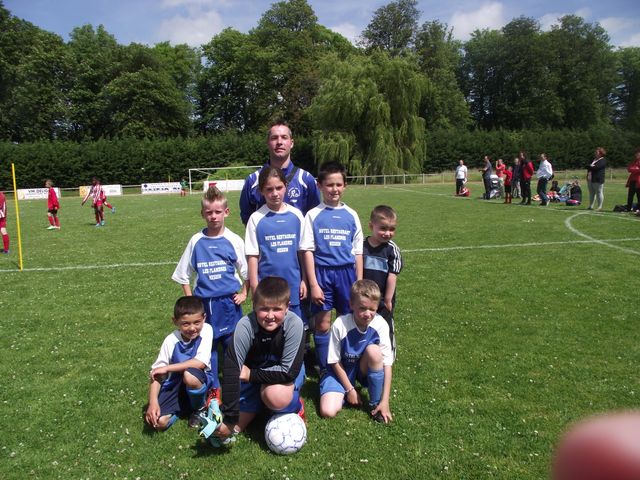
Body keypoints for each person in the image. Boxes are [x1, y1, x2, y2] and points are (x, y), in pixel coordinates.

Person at [172, 186, 248, 397]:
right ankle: (214, 389)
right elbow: (183, 274)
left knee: (232, 345)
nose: (213, 216)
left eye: (217, 212)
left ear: (226, 212)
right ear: (202, 214)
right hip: (204, 304)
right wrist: (191, 301)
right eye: (209, 212)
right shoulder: (196, 241)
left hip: (228, 303)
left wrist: (244, 293)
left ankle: (236, 384)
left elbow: (248, 271)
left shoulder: (234, 240)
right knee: (208, 346)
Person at [214, 276, 306, 442]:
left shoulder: (294, 324)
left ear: (287, 307)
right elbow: (232, 368)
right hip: (254, 377)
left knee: (275, 396)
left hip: (281, 376)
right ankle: (258, 404)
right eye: (264, 309)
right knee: (227, 433)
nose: (270, 315)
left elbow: (288, 372)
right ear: (254, 305)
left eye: (277, 309)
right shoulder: (245, 325)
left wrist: (251, 375)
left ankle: (295, 406)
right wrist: (230, 418)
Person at [300, 161, 363, 376]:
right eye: (329, 185)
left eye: (338, 184)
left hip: (347, 274)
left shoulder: (352, 214)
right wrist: (313, 284)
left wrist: (359, 282)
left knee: (347, 320)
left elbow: (358, 252)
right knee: (323, 323)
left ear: (345, 186)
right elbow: (307, 250)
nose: (334, 189)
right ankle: (325, 369)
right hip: (323, 274)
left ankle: (347, 365)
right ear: (319, 186)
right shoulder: (312, 215)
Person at [319, 280, 394, 424]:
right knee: (328, 411)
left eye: (372, 309)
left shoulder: (381, 324)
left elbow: (387, 364)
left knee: (374, 351)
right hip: (339, 371)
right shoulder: (340, 324)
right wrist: (350, 390)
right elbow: (334, 361)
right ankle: (341, 391)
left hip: (361, 369)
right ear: (351, 304)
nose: (367, 314)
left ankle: (375, 404)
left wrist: (385, 401)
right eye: (362, 308)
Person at [244, 166, 306, 323]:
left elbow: (302, 252)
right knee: (269, 326)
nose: (275, 193)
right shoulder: (256, 218)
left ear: (286, 186)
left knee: (294, 326)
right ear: (261, 191)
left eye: (279, 188)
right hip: (266, 287)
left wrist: (304, 279)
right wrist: (255, 287)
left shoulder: (297, 215)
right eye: (269, 189)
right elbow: (252, 256)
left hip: (293, 284)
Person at [144, 296, 215, 431]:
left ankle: (200, 408)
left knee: (189, 375)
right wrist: (152, 403)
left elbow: (200, 363)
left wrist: (167, 368)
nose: (192, 328)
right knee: (159, 423)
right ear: (175, 321)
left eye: (197, 322)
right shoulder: (170, 341)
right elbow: (156, 374)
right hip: (175, 384)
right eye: (185, 324)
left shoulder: (206, 330)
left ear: (204, 318)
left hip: (199, 379)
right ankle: (183, 408)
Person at [239, 122, 320, 225]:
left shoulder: (306, 179)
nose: (279, 142)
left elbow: (314, 218)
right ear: (267, 143)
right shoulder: (253, 180)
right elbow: (247, 219)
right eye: (274, 138)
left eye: (284, 137)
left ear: (291, 143)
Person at [363, 205, 402, 355]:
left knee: (385, 326)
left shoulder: (392, 249)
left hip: (384, 299)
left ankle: (388, 355)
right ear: (371, 226)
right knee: (364, 323)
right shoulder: (361, 246)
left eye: (392, 229)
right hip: (364, 297)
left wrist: (388, 299)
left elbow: (393, 275)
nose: (387, 233)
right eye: (383, 228)